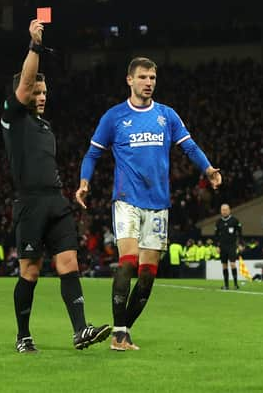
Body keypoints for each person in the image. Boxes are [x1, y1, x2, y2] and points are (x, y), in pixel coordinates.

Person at [76, 57, 221, 351]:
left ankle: (123, 330)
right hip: (127, 200)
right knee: (128, 262)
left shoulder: (166, 116)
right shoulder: (114, 117)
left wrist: (208, 169)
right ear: (130, 80)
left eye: (153, 78)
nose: (149, 83)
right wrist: (84, 182)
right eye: (143, 77)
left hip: (158, 204)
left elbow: (189, 146)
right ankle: (118, 334)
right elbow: (92, 154)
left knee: (147, 275)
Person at [1, 19, 111, 353]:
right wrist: (35, 45)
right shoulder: (12, 118)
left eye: (46, 92)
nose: (42, 96)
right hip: (31, 204)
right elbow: (25, 81)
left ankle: (81, 331)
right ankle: (23, 336)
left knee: (69, 265)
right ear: (24, 92)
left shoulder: (46, 127)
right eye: (37, 90)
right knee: (30, 272)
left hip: (56, 202)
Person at [215, 204, 242, 290]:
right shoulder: (218, 222)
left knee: (233, 264)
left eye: (226, 209)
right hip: (222, 246)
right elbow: (216, 235)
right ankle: (226, 285)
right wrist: (217, 246)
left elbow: (240, 233)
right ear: (221, 211)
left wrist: (240, 244)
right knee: (224, 265)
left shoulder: (235, 220)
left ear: (229, 210)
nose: (224, 211)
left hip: (232, 245)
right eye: (223, 210)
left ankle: (235, 284)